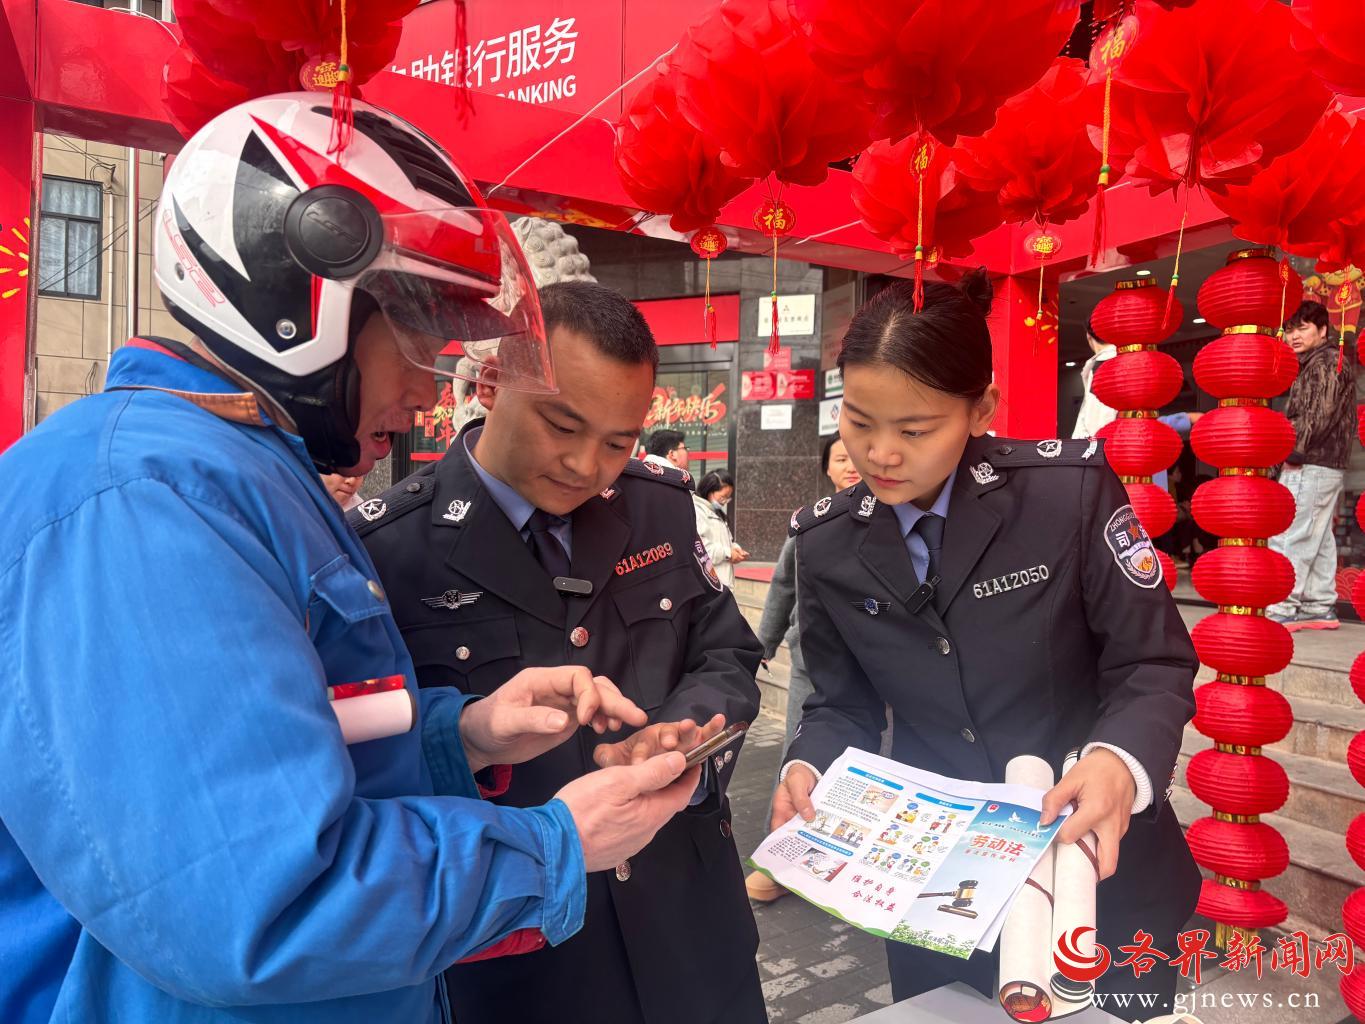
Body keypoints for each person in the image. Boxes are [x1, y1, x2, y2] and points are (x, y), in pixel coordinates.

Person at [0, 95, 701, 1024]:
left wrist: (464, 735)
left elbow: (281, 743)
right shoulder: (145, 501)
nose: (426, 392)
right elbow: (258, 898)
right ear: (301, 310)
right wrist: (554, 845)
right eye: (414, 340)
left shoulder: (238, 470)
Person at [772, 274, 1200, 1021]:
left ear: (981, 410)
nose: (880, 454)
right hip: (940, 885)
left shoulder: (1066, 495)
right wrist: (808, 764)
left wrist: (1119, 761)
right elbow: (840, 702)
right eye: (858, 421)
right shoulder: (827, 540)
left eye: (914, 430)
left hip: (1093, 861)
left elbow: (1151, 661)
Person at [350, 280, 767, 1024]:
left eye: (618, 442)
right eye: (560, 425)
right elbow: (374, 768)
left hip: (691, 934)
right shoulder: (389, 549)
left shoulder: (659, 507)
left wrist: (686, 732)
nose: (585, 465)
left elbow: (725, 653)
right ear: (488, 385)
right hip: (525, 966)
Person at [744, 434, 861, 904]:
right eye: (840, 458)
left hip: (878, 672)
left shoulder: (899, 520)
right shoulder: (812, 524)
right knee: (798, 756)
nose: (851, 465)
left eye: (855, 456)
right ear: (827, 469)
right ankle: (779, 860)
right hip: (813, 665)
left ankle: (851, 861)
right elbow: (782, 588)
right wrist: (763, 644)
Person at [1268, 301, 1357, 631]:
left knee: (1292, 533)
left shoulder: (1325, 362)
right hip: (1324, 462)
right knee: (1318, 538)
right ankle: (1318, 605)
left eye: (1302, 328)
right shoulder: (1323, 361)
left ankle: (1282, 604)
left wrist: (1291, 453)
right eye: (1289, 329)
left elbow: (1317, 416)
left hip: (1310, 460)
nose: (1293, 336)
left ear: (1322, 330)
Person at [693, 469, 748, 587]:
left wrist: (735, 549)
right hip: (710, 585)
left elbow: (726, 541)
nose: (725, 501)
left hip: (723, 583)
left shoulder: (717, 513)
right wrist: (728, 553)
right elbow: (702, 550)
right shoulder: (697, 512)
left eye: (728, 497)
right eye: (723, 497)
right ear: (709, 490)